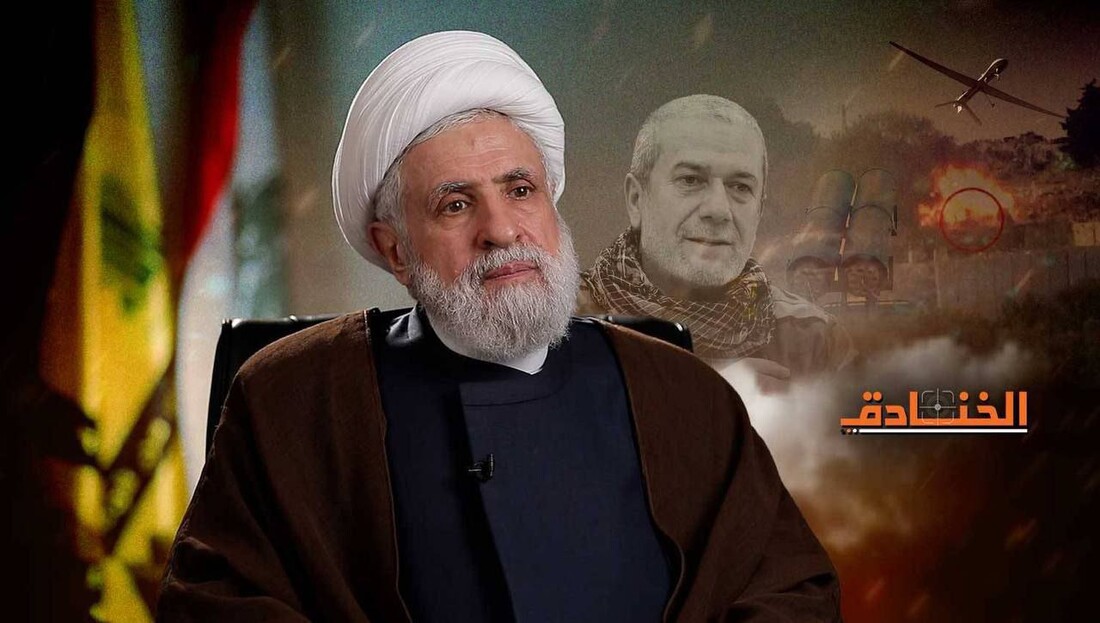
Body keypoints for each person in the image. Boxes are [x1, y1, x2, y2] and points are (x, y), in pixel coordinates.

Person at [157, 32, 841, 622]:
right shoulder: (292, 399)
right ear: (396, 249)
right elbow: (216, 604)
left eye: (520, 190)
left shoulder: (680, 392)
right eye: (456, 204)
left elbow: (788, 589)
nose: (502, 230)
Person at [577, 95, 854, 392]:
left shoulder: (813, 340)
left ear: (759, 210)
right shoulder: (561, 325)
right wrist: (711, 394)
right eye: (690, 180)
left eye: (740, 186)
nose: (719, 209)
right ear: (636, 199)